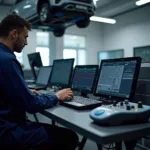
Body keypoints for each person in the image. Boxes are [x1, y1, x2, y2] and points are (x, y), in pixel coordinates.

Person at [0, 13, 78, 150]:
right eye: (25, 37)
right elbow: (31, 105)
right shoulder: (7, 60)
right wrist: (56, 96)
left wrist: (24, 92)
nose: (26, 42)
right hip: (8, 132)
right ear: (14, 34)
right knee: (70, 137)